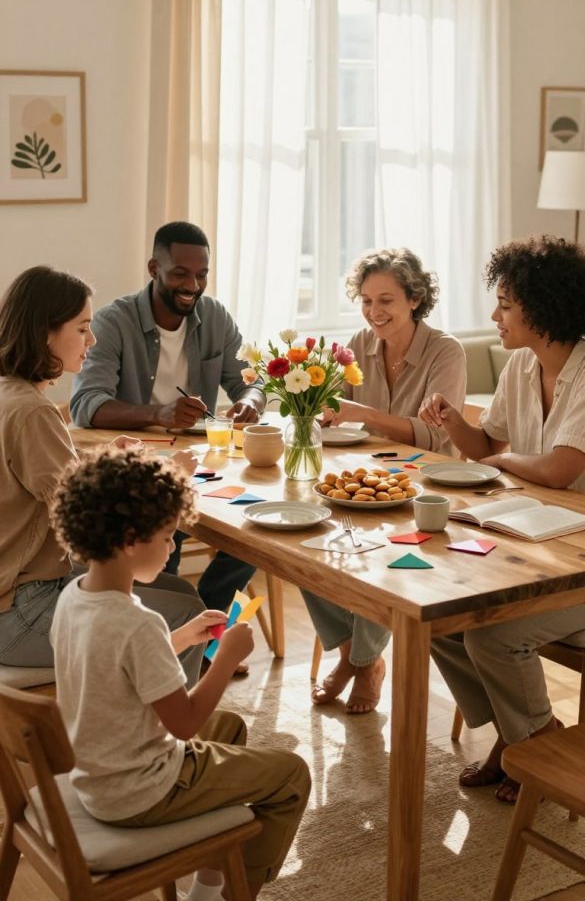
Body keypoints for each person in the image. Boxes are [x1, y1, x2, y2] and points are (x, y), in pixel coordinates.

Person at [50, 448, 311, 901]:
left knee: (229, 726)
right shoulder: (137, 622)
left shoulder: (74, 597)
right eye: (169, 537)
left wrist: (183, 638)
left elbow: (112, 666)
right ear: (132, 539)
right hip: (139, 792)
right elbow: (184, 723)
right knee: (291, 776)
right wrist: (226, 658)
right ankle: (238, 895)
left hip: (96, 769)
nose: (172, 548)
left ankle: (207, 887)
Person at [418, 235, 585, 803]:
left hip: (578, 567)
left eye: (506, 305)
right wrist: (451, 424)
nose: (495, 316)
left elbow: (561, 469)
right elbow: (486, 444)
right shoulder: (521, 365)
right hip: (539, 543)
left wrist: (496, 460)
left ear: (543, 308)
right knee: (437, 618)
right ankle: (522, 735)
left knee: (491, 635)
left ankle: (534, 739)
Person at [0, 265, 205, 686]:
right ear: (44, 334)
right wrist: (169, 476)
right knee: (186, 613)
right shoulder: (32, 411)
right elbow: (90, 520)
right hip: (19, 612)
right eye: (82, 328)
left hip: (20, 592)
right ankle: (158, 740)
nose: (92, 340)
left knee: (182, 593)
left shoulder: (11, 394)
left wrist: (105, 460)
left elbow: (53, 480)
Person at [304, 247, 466, 714]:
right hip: (368, 480)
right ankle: (352, 656)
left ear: (414, 299)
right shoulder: (359, 343)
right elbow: (338, 420)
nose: (375, 313)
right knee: (305, 540)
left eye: (387, 301)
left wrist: (363, 414)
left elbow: (438, 434)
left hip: (430, 489)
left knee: (385, 556)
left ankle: (364, 660)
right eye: (367, 300)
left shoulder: (445, 351)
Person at [70, 221, 264, 603]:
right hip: (138, 472)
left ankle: (206, 622)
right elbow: (86, 405)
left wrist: (250, 402)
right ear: (154, 269)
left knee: (259, 524)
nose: (192, 285)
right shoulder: (113, 322)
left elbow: (252, 381)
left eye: (201, 275)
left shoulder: (216, 318)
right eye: (180, 274)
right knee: (162, 525)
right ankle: (169, 631)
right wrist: (159, 414)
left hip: (203, 467)